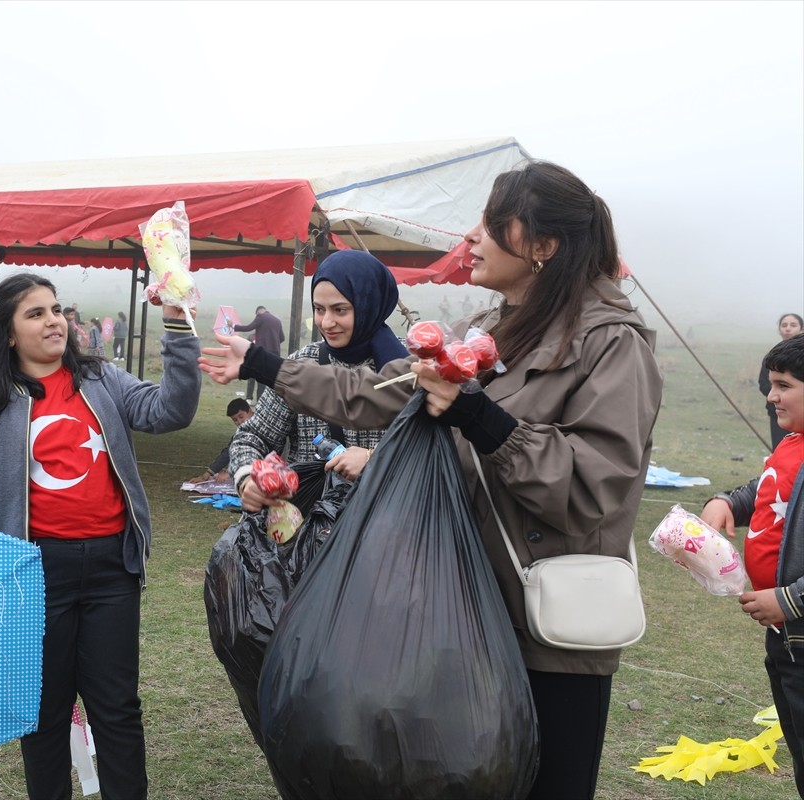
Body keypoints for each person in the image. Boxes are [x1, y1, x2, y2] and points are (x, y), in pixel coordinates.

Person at [201, 160, 663, 800]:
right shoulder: (496, 331)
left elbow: (594, 487)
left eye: (493, 223)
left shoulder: (611, 344)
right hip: (462, 607)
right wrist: (264, 364)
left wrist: (479, 415)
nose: (470, 237)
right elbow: (380, 391)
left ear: (542, 247)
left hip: (543, 629)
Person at [0, 273, 200, 799]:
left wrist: (177, 325)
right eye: (35, 314)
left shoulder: (101, 380)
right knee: (43, 714)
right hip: (35, 578)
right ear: (10, 333)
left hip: (113, 569)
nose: (53, 322)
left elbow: (170, 411)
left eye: (56, 309)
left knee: (117, 710)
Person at [702, 332, 804, 799]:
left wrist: (788, 599)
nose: (771, 395)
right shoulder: (792, 443)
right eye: (770, 382)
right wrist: (728, 502)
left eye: (784, 385)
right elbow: (767, 486)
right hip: (786, 637)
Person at [229, 250, 409, 514]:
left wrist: (374, 459)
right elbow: (253, 436)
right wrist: (248, 479)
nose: (327, 322)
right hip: (311, 536)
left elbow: (435, 449)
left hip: (388, 527)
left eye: (340, 310)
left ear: (369, 305)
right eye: (319, 309)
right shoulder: (302, 363)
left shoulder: (410, 368)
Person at [761, 314, 803, 450]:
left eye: (784, 385)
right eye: (784, 325)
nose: (788, 329)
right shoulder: (773, 357)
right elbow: (763, 383)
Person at [185, 398, 253, 484]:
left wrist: (230, 472)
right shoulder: (242, 430)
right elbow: (229, 451)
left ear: (250, 411)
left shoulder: (262, 427)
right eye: (235, 420)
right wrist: (206, 475)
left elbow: (255, 455)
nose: (239, 422)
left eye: (241, 417)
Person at [234, 305, 284, 401]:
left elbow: (248, 327)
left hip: (263, 352)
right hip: (275, 354)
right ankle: (270, 402)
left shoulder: (261, 316)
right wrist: (273, 342)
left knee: (261, 378)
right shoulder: (277, 321)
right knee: (272, 379)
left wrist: (233, 326)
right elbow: (282, 338)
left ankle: (260, 402)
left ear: (258, 312)